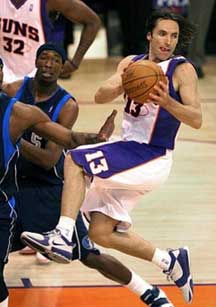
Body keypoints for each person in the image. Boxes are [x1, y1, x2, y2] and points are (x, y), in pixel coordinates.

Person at [21, 9, 203, 304]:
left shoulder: (182, 70)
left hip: (152, 154)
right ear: (149, 35)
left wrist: (167, 101)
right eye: (162, 34)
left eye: (174, 36)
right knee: (101, 232)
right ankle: (170, 261)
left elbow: (196, 119)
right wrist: (123, 81)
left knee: (75, 159)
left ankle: (62, 234)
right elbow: (100, 95)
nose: (168, 41)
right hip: (129, 150)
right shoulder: (131, 63)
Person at [1, 47, 174, 307]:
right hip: (14, 188)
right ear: (34, 62)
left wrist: (12, 137)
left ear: (64, 68)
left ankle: (149, 292)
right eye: (44, 58)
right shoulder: (14, 90)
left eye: (56, 60)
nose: (48, 64)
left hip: (48, 190)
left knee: (89, 255)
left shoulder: (63, 104)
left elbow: (53, 156)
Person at [0, 55, 117, 307]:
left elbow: (69, 140)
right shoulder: (18, 97)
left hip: (10, 201)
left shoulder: (19, 113)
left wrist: (97, 138)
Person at [0, 0, 101, 82]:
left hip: (36, 82)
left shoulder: (50, 2)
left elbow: (93, 22)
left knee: (70, 106)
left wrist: (75, 63)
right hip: (3, 79)